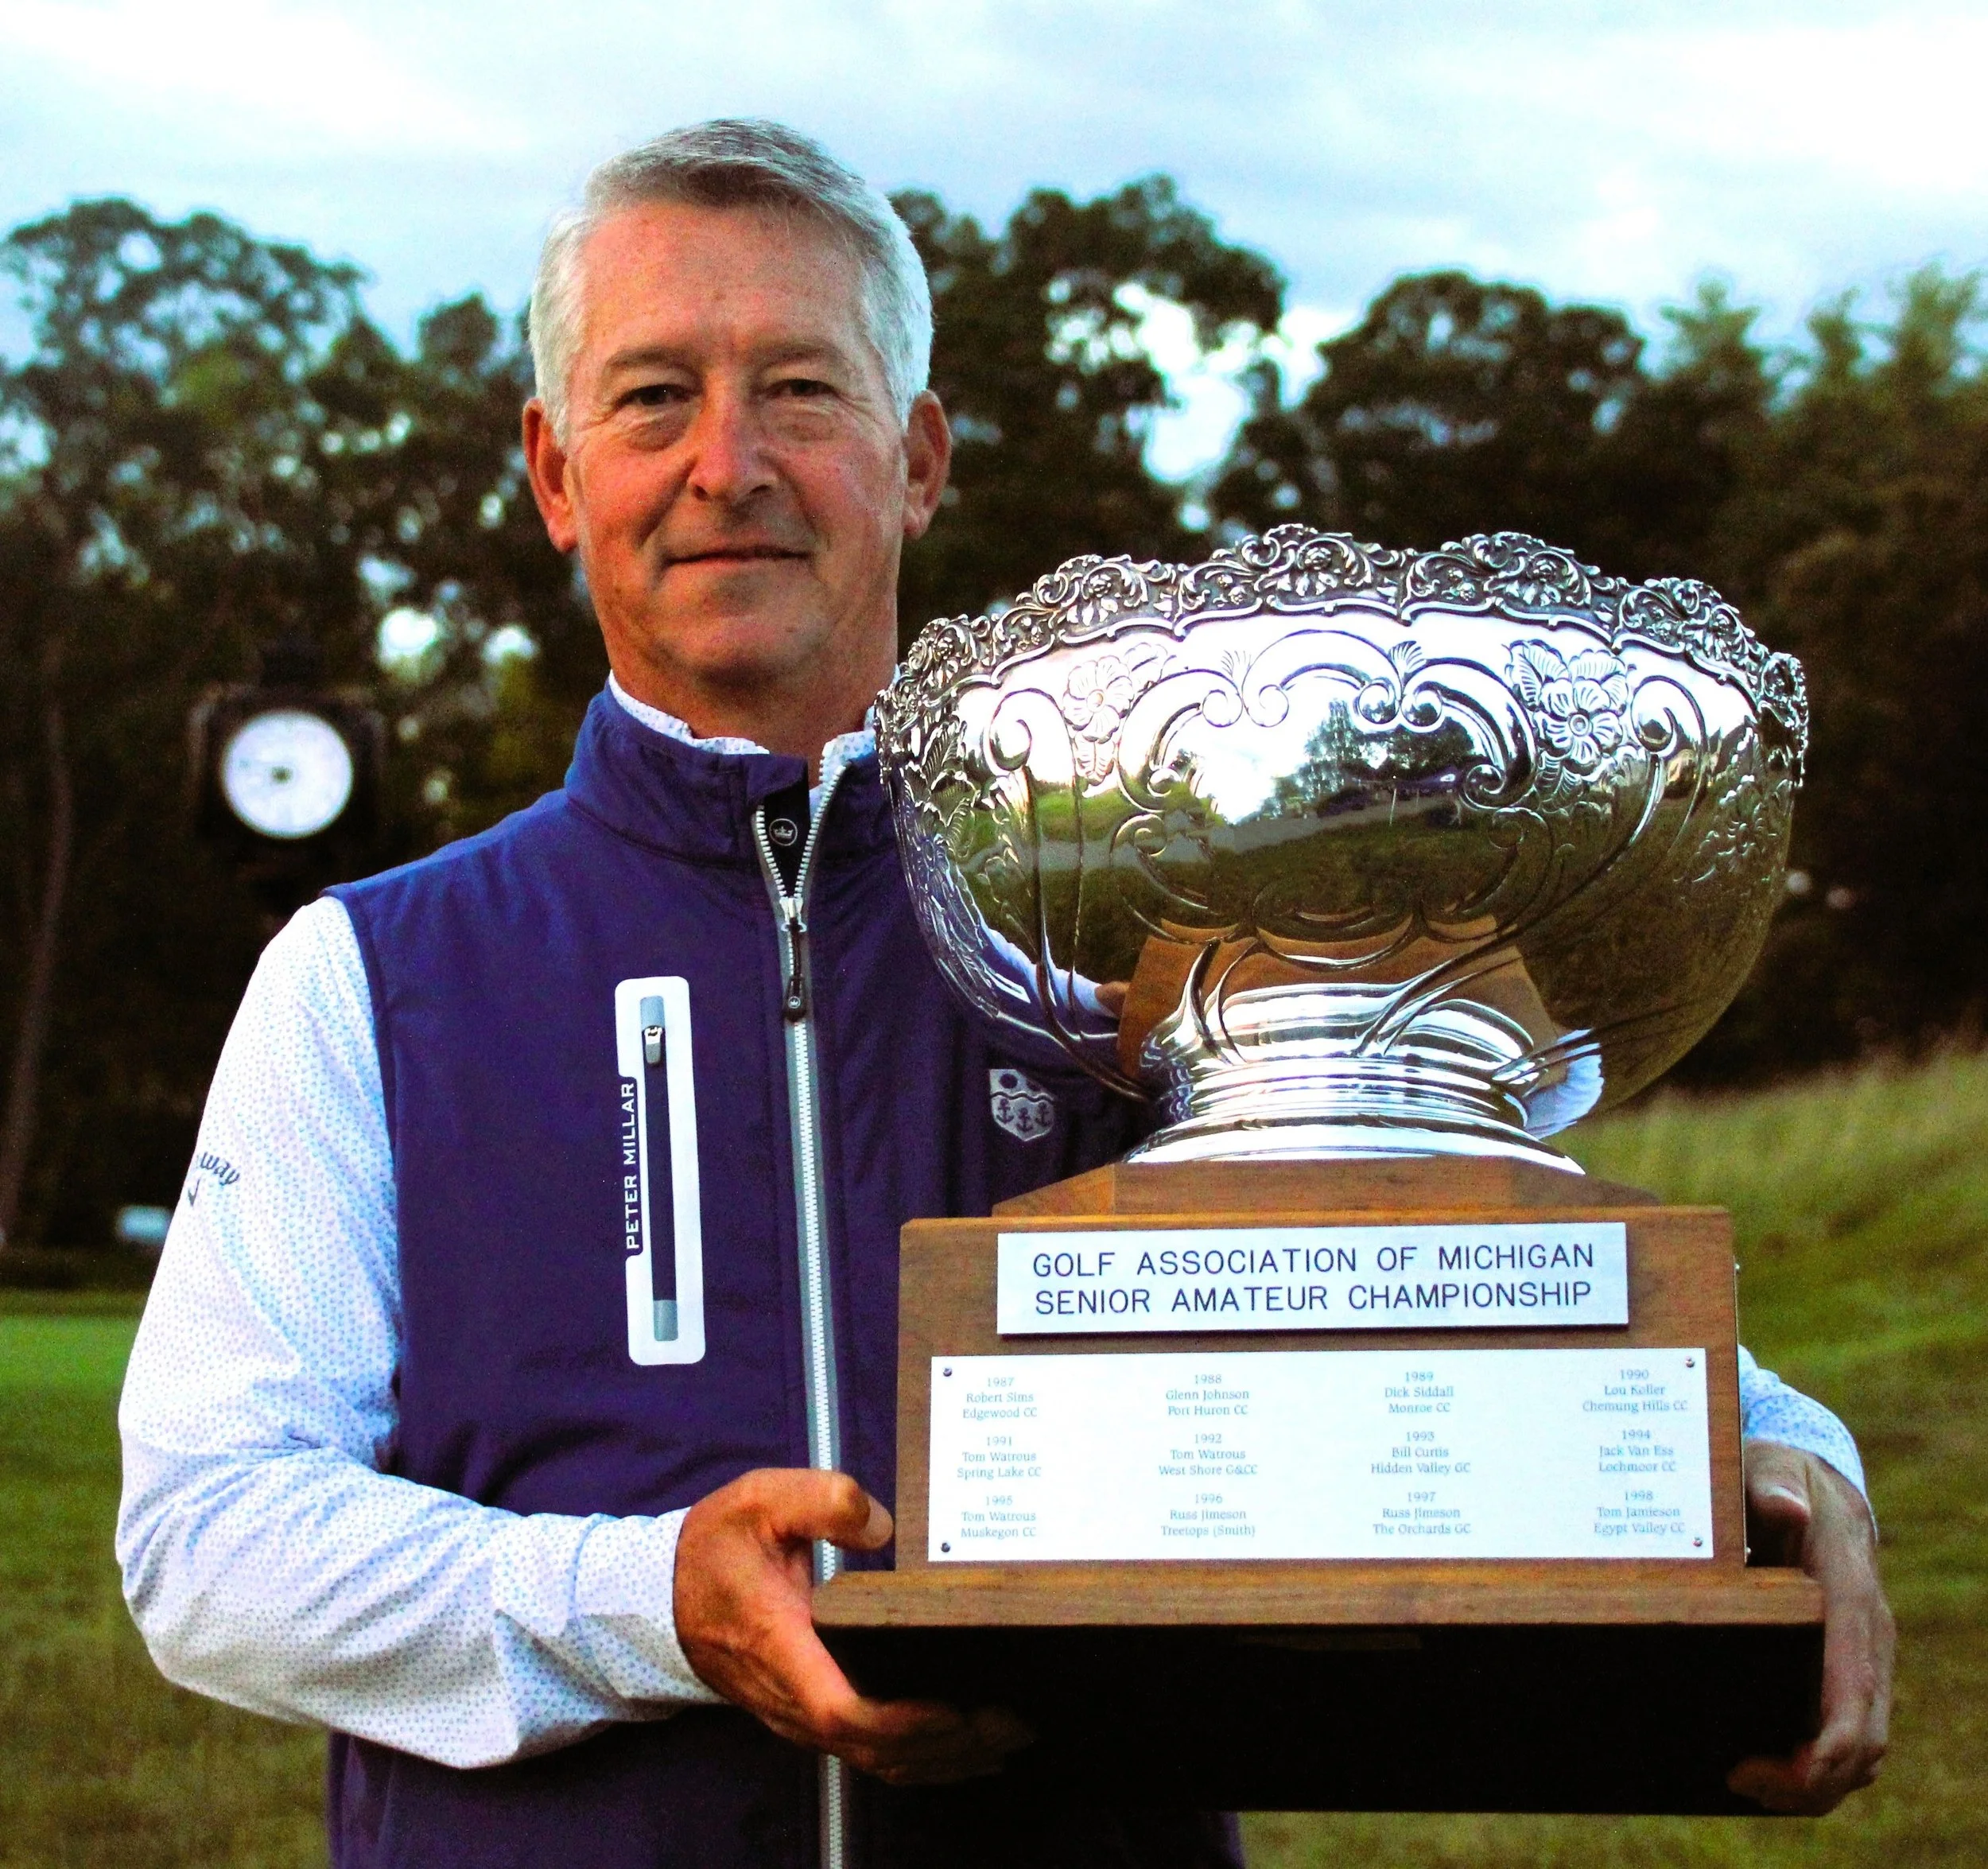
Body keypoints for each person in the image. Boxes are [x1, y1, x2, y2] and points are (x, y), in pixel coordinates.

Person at [117, 121, 1892, 1869]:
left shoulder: (1145, 928)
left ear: (916, 458)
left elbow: (1461, 1260)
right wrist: (650, 1601)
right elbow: (205, 1534)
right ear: (555, 473)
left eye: (800, 390)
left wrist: (1784, 1455)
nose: (727, 462)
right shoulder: (375, 973)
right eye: (653, 396)